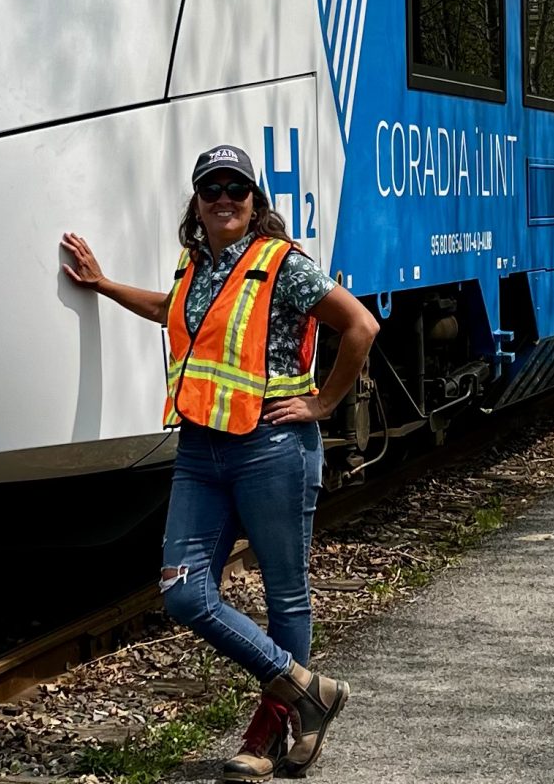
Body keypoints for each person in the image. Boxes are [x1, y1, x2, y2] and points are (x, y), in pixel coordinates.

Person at [61, 145, 379, 781]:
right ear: (198, 204)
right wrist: (102, 284)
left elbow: (361, 327)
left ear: (254, 202)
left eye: (238, 189)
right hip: (201, 451)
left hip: (271, 448)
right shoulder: (193, 265)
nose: (225, 199)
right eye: (213, 190)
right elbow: (168, 311)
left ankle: (268, 736)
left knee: (286, 595)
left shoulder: (282, 265)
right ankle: (309, 691)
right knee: (183, 593)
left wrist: (321, 403)